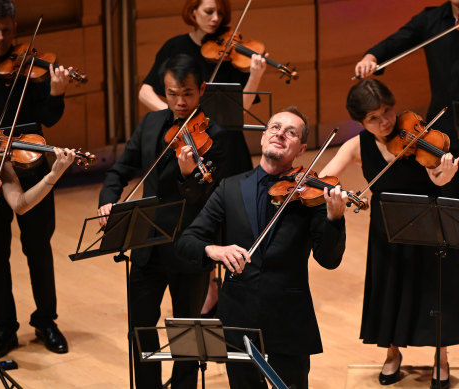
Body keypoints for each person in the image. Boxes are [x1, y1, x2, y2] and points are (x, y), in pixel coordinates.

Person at [175, 106, 348, 389]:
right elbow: (187, 242)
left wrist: (334, 218)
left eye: (291, 132)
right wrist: (215, 251)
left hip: (288, 317)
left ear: (301, 148)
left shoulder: (312, 193)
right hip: (238, 315)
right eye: (275, 127)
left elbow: (328, 259)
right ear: (263, 137)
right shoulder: (229, 188)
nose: (280, 133)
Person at [98, 53, 234, 389]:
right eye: (173, 94)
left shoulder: (216, 138)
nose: (181, 102)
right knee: (141, 328)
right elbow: (120, 169)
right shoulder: (150, 124)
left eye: (187, 94)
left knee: (188, 330)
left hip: (189, 249)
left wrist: (190, 177)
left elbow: (211, 201)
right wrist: (108, 200)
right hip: (146, 245)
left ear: (201, 89)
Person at [319, 79, 459, 388]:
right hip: (386, 229)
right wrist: (336, 193)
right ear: (360, 122)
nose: (385, 121)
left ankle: (441, 358)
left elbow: (437, 179)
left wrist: (446, 174)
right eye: (373, 117)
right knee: (389, 290)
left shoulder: (417, 134)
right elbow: (322, 179)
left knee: (433, 290)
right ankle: (392, 354)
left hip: (427, 224)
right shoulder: (357, 145)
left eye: (387, 111)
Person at [140, 0, 269, 318]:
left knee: (235, 222)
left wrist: (255, 76)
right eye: (208, 11)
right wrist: (176, 119)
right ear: (192, 11)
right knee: (199, 218)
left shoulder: (232, 53)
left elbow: (243, 105)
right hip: (191, 147)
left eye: (220, 13)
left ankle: (232, 298)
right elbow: (146, 90)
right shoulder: (176, 47)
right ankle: (206, 285)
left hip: (228, 149)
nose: (216, 18)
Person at [0, 0, 72, 356]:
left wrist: (56, 91)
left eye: (7, 30)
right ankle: (5, 326)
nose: (1, 38)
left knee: (38, 247)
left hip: (32, 164)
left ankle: (46, 321)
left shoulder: (30, 69)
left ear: (14, 28)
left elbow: (49, 117)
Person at [354, 0, 459, 200]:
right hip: (445, 120)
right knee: (452, 198)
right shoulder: (431, 19)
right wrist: (371, 57)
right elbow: (397, 40)